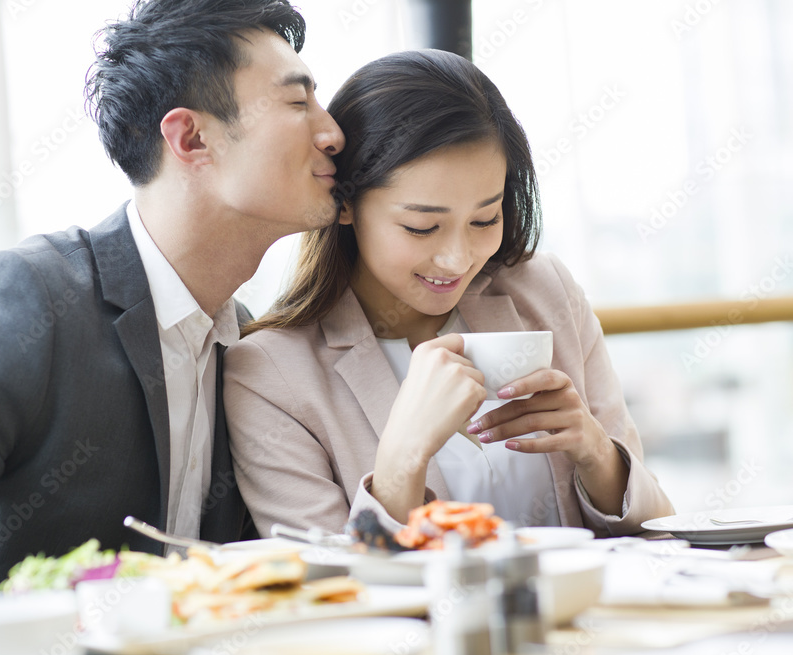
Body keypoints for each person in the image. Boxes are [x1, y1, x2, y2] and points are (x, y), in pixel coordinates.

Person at [0, 0, 344, 644]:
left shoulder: (243, 342)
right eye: (298, 102)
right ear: (191, 138)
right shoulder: (19, 303)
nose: (333, 132)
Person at [224, 50, 673, 539]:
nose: (457, 259)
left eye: (485, 220)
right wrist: (401, 460)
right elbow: (321, 587)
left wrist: (596, 454)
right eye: (422, 227)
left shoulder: (546, 293)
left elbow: (658, 536)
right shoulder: (270, 376)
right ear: (346, 203)